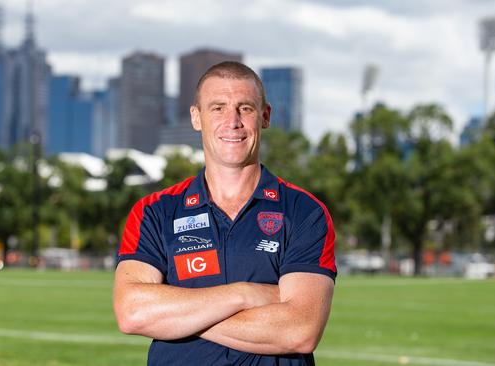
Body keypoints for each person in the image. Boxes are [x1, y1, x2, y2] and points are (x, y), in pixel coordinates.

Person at [114, 61, 336, 365]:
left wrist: (178, 316)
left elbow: (300, 331)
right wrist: (244, 295)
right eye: (217, 108)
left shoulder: (304, 211)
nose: (232, 122)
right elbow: (132, 313)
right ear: (196, 117)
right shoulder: (154, 212)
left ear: (265, 116)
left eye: (244, 108)